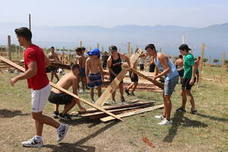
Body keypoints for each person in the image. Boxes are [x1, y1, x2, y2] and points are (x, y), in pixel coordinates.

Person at [10, 27, 68, 147]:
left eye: (18, 38)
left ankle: (61, 127)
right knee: (38, 114)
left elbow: (32, 71)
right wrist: (39, 70)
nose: (17, 40)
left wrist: (16, 78)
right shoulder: (38, 48)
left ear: (23, 38)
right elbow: (47, 62)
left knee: (36, 115)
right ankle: (38, 139)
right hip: (42, 85)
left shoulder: (29, 51)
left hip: (39, 87)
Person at [144, 44, 179, 125]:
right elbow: (157, 67)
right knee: (164, 96)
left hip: (172, 76)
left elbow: (167, 69)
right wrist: (155, 75)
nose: (148, 52)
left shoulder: (160, 56)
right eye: (147, 51)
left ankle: (168, 119)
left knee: (167, 97)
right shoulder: (155, 57)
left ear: (153, 49)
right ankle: (164, 115)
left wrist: (157, 76)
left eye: (148, 51)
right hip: (168, 76)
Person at [176, 44, 197, 114]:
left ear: (184, 50)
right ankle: (183, 107)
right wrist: (178, 70)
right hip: (185, 77)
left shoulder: (189, 57)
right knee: (183, 92)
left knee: (188, 92)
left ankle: (193, 109)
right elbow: (186, 67)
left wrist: (192, 78)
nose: (180, 52)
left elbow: (194, 67)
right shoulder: (185, 56)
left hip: (189, 77)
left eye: (181, 51)